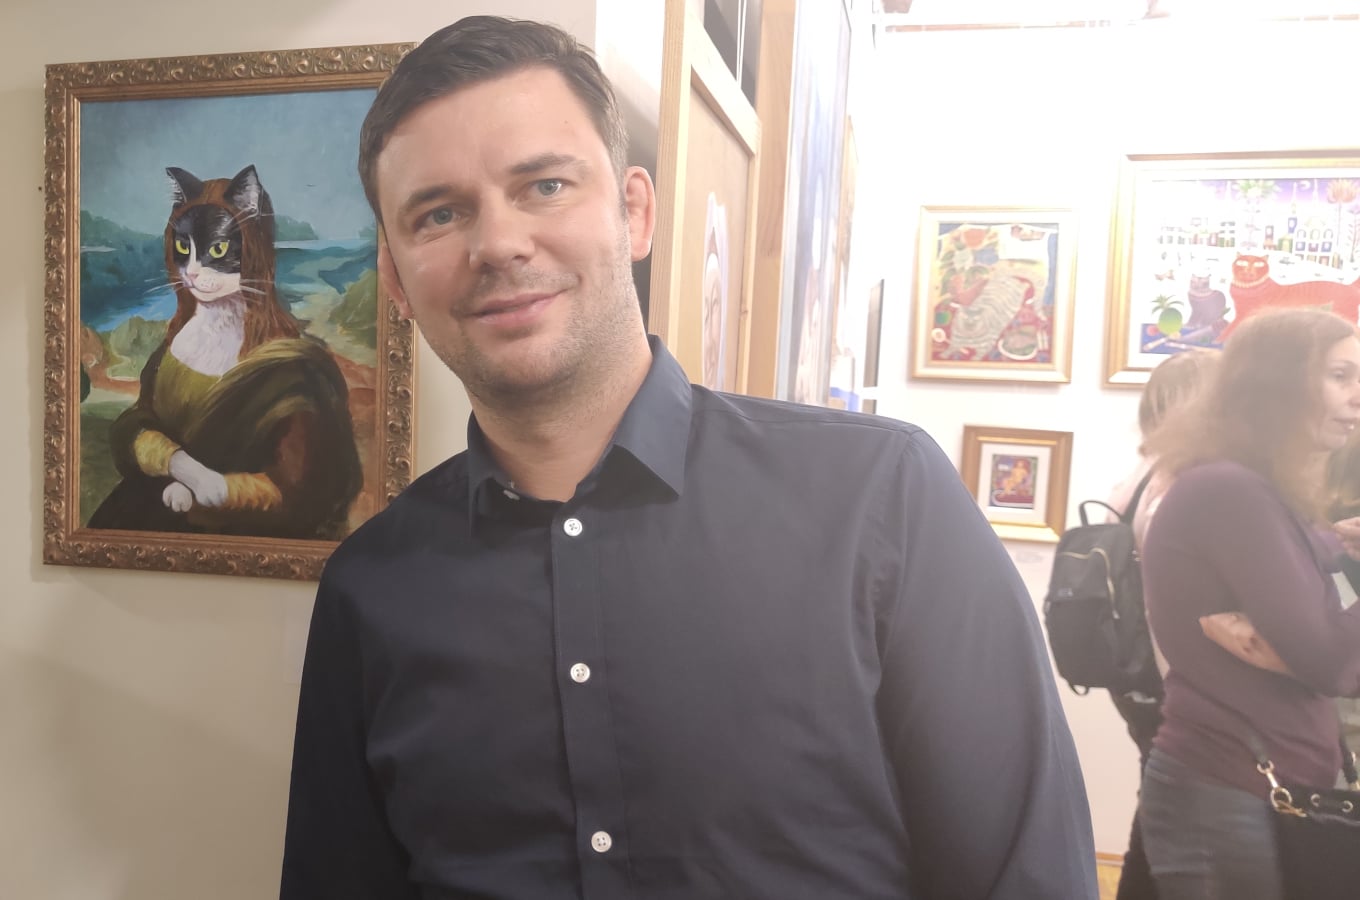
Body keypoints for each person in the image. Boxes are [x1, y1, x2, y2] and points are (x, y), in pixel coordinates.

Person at [280, 16, 1093, 899]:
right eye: (439, 214)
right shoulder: (373, 587)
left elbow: (1028, 876)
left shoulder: (881, 501)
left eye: (545, 185)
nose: (499, 243)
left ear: (634, 212)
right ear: (397, 281)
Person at [1137, 308, 1360, 900]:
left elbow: (1301, 566)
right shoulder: (1228, 490)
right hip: (1229, 787)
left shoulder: (1253, 489)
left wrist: (1337, 543)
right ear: (1276, 384)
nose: (1358, 396)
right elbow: (1331, 662)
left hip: (1256, 782)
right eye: (1340, 376)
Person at [1100, 348, 1217, 900]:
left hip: (1133, 672)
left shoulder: (1137, 480)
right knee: (1176, 820)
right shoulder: (1185, 487)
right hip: (1176, 675)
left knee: (1157, 806)